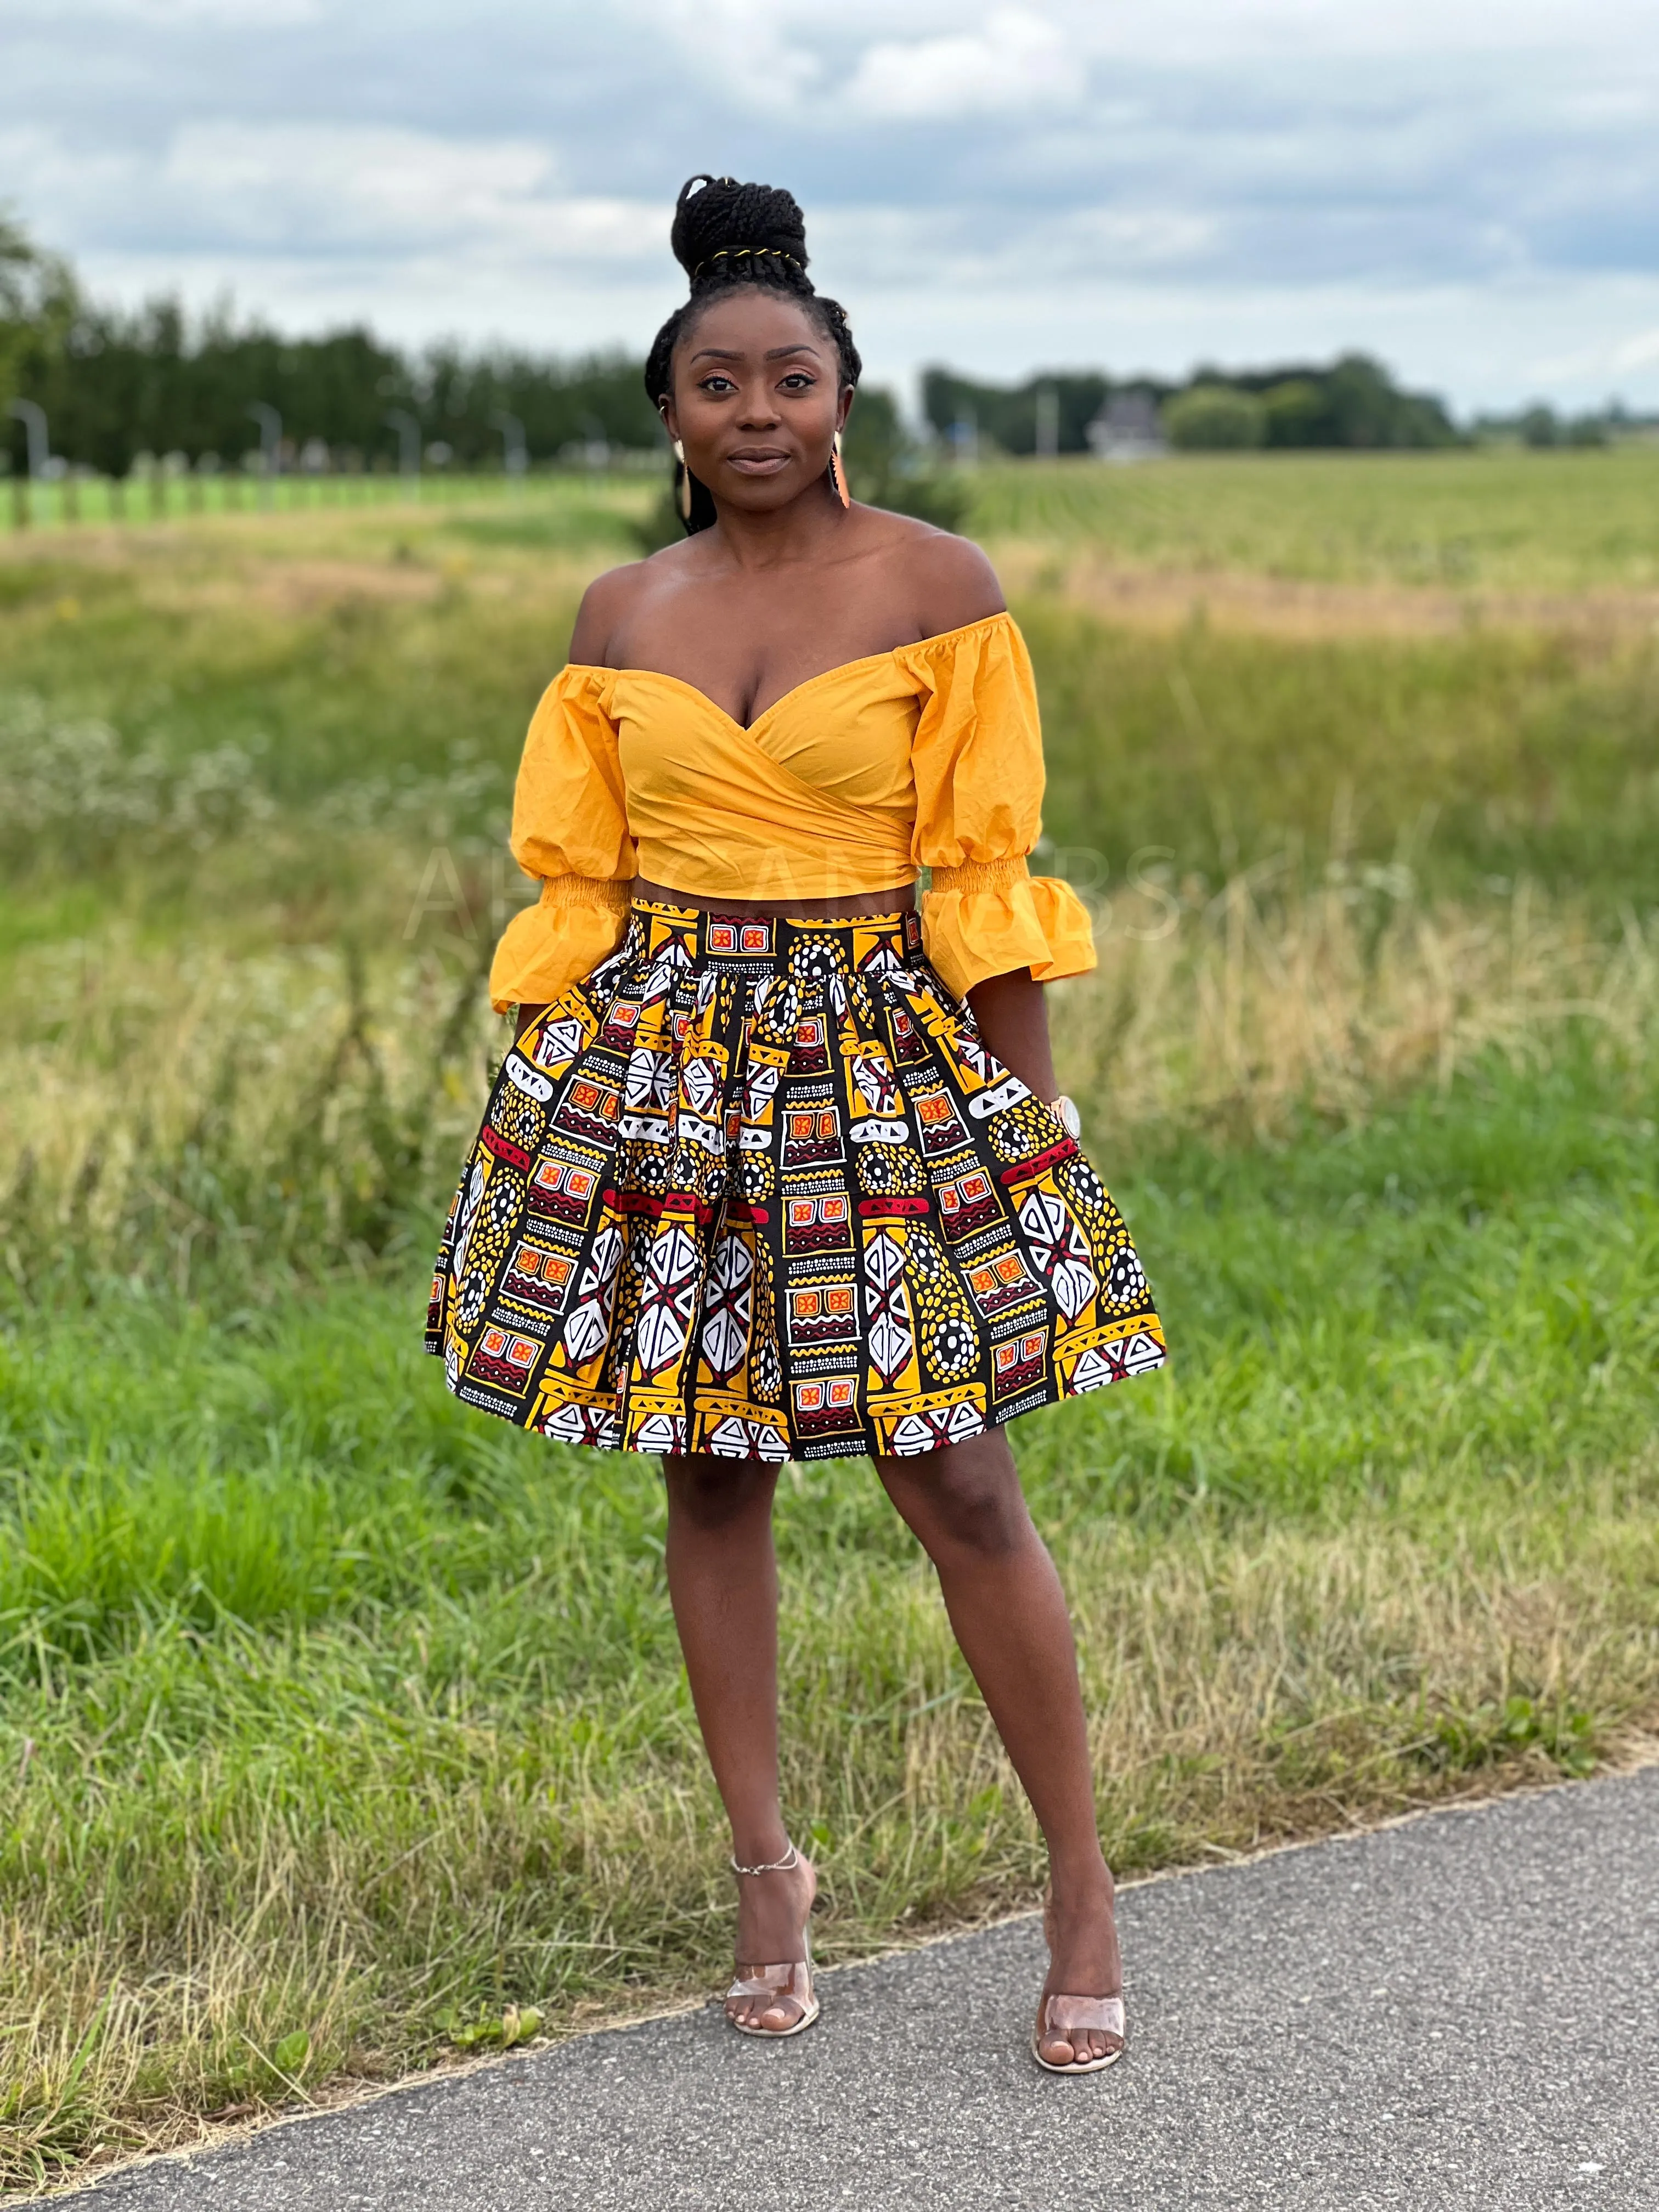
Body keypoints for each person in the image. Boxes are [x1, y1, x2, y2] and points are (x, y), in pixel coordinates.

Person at [426, 174, 1167, 2074]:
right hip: (666, 1071)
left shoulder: (941, 589)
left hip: (879, 1057)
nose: (756, 413)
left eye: (791, 380)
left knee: (962, 1476)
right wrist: (540, 1102)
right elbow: (575, 888)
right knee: (709, 1471)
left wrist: (1031, 1118)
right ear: (667, 415)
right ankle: (768, 1869)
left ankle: (1078, 1883)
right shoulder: (619, 613)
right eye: (717, 386)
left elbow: (985, 870)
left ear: (845, 395)